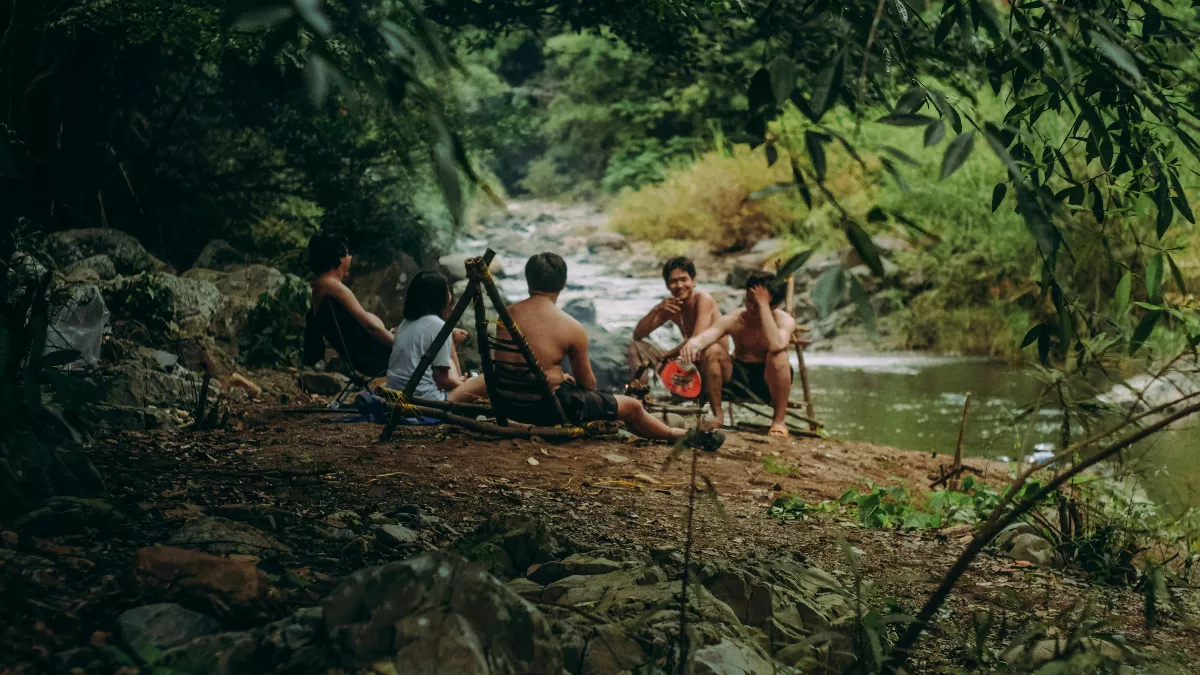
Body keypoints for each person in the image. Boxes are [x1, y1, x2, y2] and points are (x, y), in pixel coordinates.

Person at [452, 253, 714, 445]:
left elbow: (516, 365)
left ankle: (447, 404)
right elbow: (588, 385)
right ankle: (675, 435)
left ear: (528, 280)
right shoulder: (571, 326)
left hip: (507, 398)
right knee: (632, 407)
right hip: (546, 407)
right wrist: (565, 379)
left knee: (484, 379)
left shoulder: (505, 315)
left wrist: (555, 375)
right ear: (563, 284)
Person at [679, 271, 796, 436]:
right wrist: (693, 344)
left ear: (774, 306)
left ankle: (778, 421)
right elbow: (708, 335)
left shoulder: (785, 320)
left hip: (768, 381)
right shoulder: (735, 318)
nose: (751, 307)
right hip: (737, 378)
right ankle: (718, 415)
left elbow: (776, 345)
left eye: (757, 303)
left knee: (779, 355)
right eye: (749, 300)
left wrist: (763, 305)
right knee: (713, 350)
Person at [627, 256, 731, 417]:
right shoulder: (672, 305)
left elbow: (697, 339)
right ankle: (641, 400)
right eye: (673, 281)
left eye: (684, 279)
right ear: (667, 285)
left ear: (694, 280)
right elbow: (638, 334)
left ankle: (716, 413)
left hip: (713, 367)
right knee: (635, 346)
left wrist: (669, 354)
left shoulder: (703, 299)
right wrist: (657, 309)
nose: (679, 285)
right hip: (688, 368)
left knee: (711, 348)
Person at [308, 233, 392, 374]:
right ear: (340, 257)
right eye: (348, 253)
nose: (350, 257)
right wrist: (398, 344)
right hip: (374, 358)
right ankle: (405, 397)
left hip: (358, 356)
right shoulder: (334, 287)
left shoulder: (320, 286)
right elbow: (370, 327)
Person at [386, 271, 468, 400]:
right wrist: (462, 385)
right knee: (483, 382)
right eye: (446, 290)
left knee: (449, 361)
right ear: (439, 297)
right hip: (425, 400)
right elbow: (443, 381)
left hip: (395, 394)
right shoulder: (438, 326)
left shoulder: (405, 324)